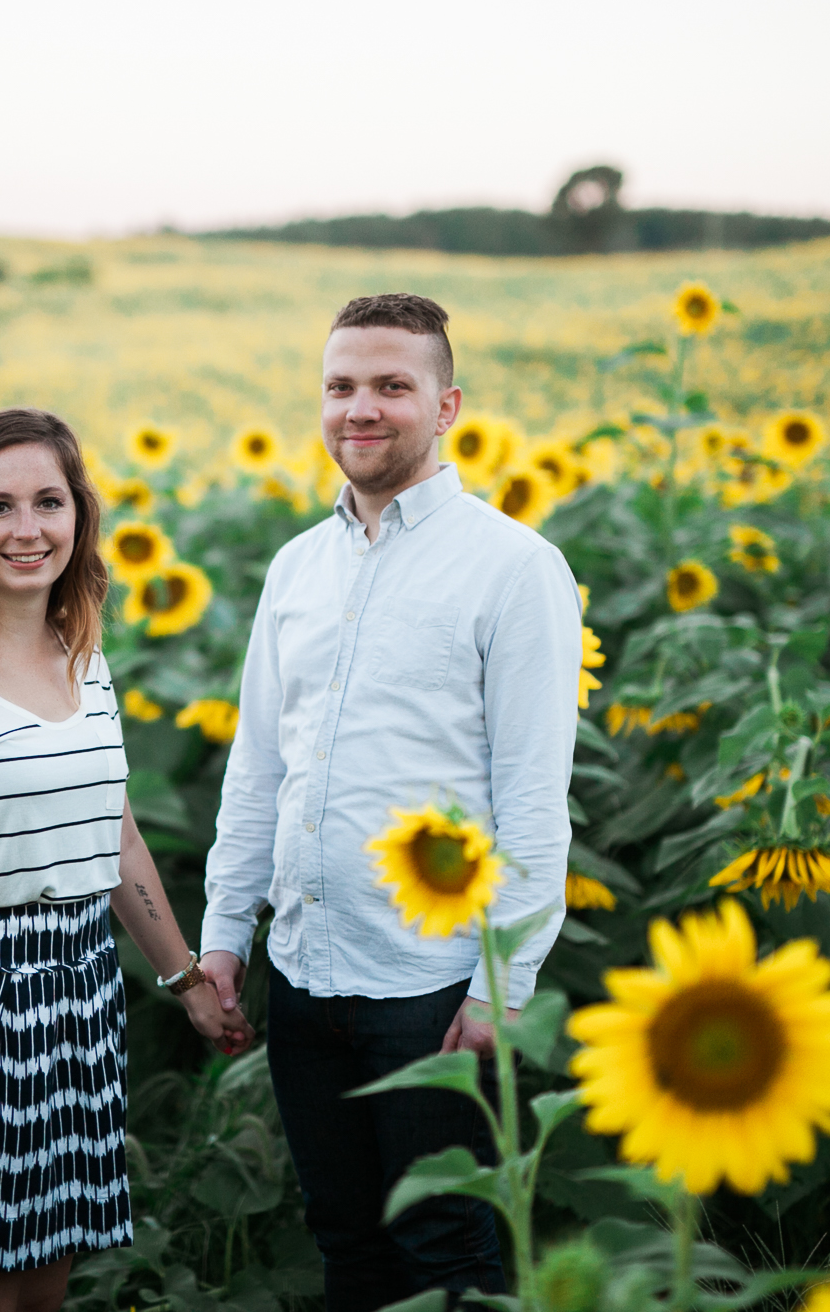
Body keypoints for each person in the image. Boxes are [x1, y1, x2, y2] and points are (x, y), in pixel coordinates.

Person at [199, 294, 580, 1310]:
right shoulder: (295, 569)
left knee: (444, 1252)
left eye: (388, 386)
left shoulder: (513, 568)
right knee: (346, 1244)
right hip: (303, 974)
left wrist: (502, 985)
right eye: (339, 387)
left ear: (445, 404)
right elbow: (258, 771)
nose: (358, 409)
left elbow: (534, 798)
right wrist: (224, 933)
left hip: (429, 988)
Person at [0, 407, 253, 1312]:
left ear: (80, 516)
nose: (27, 529)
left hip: (74, 1009)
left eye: (49, 501)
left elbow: (108, 831)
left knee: (42, 1300)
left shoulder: (83, 659)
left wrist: (185, 976)